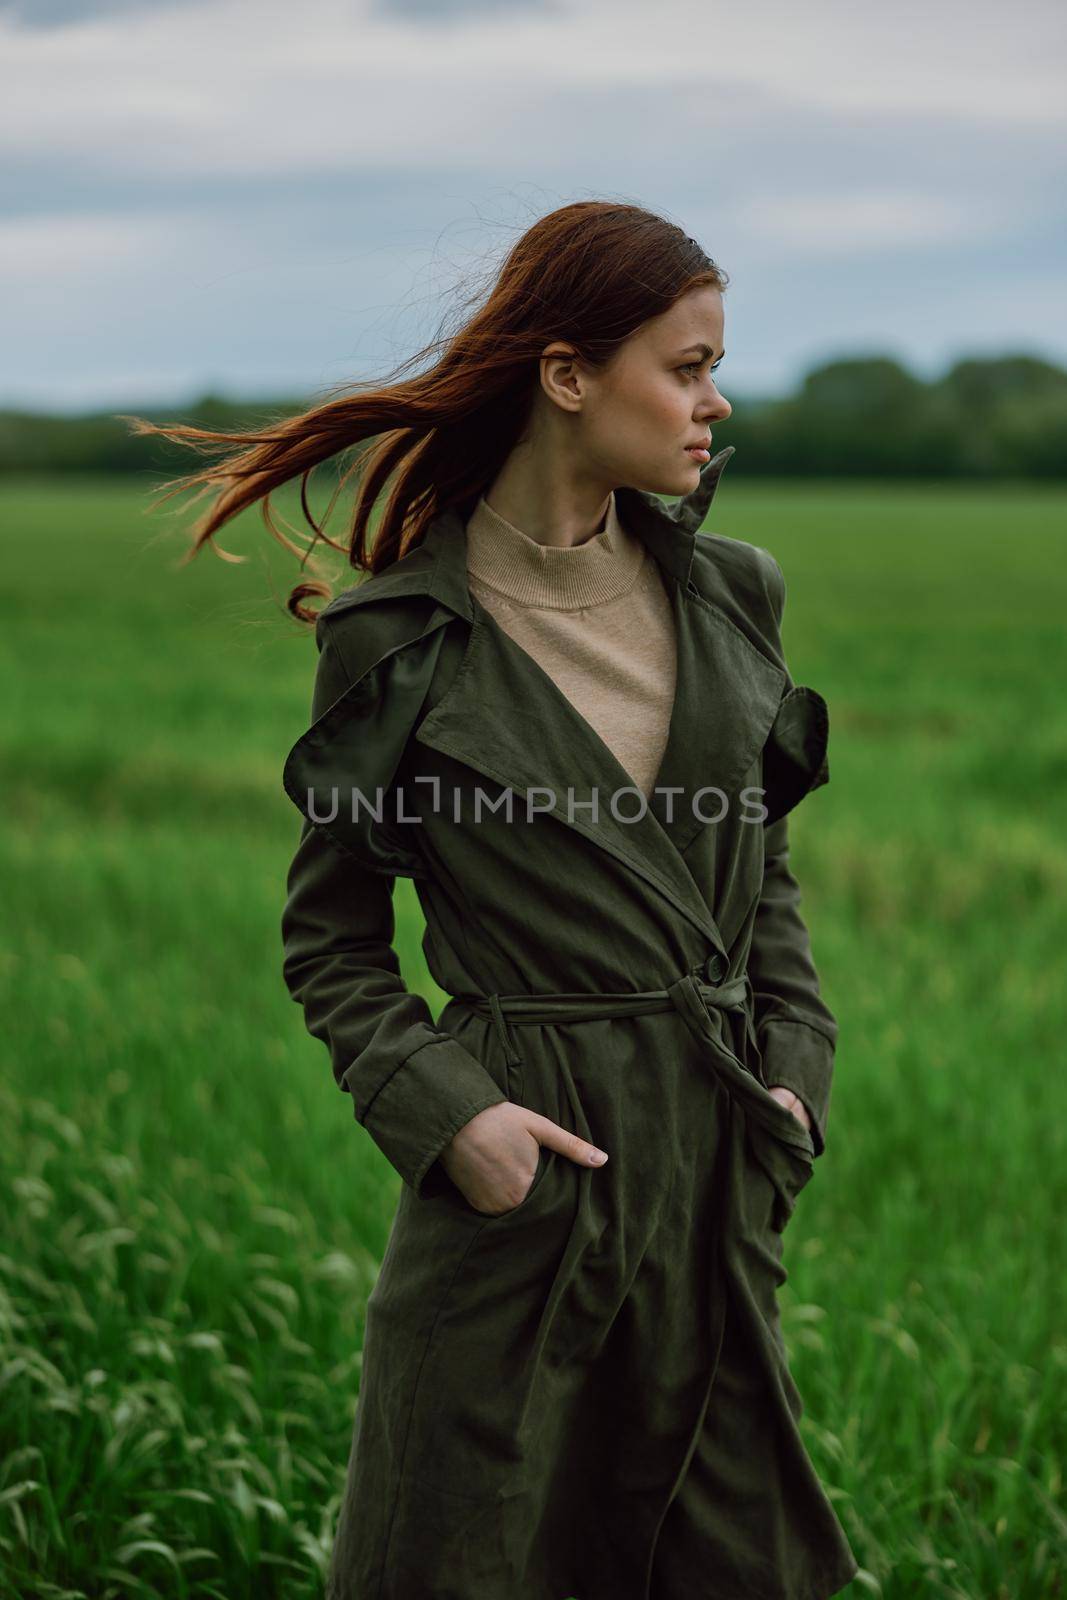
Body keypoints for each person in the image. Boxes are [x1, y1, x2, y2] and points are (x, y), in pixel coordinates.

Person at [126, 200, 860, 1600]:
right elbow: (331, 942)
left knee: (724, 1561)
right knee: (464, 1559)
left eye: (717, 368)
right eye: (688, 365)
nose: (716, 404)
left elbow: (759, 870)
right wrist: (453, 1115)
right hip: (525, 1185)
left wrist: (795, 1080)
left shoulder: (733, 596)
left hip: (712, 1179)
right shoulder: (398, 638)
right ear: (569, 375)